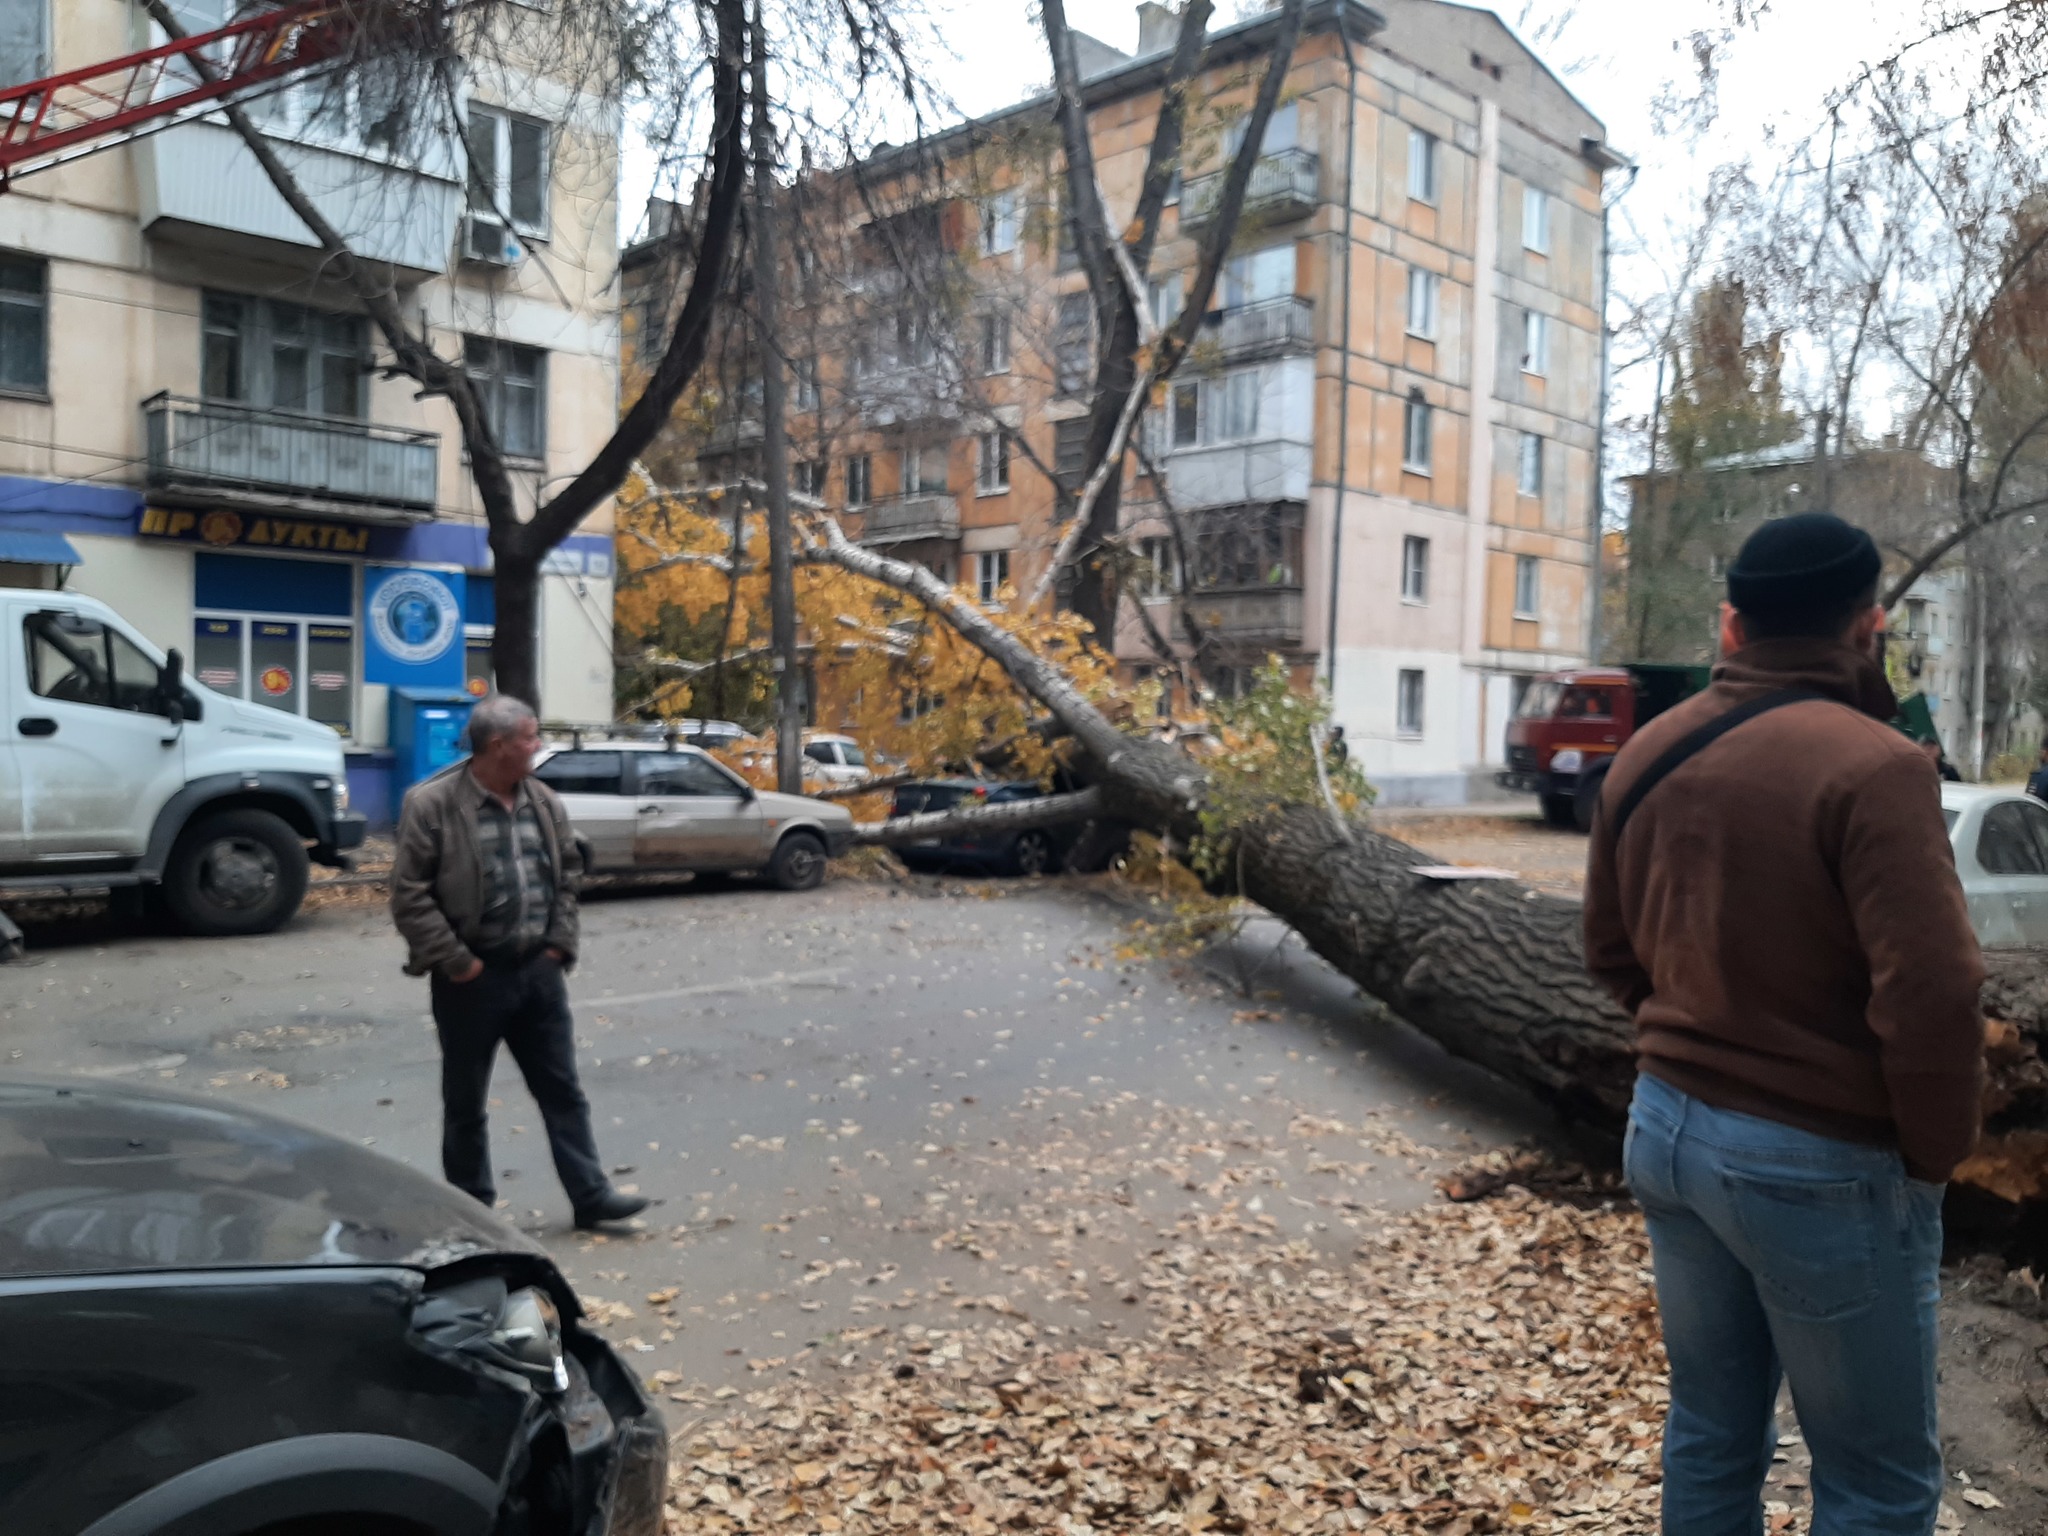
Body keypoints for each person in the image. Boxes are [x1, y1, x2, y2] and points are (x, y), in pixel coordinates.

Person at [1583, 512, 1985, 1533]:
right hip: (1819, 1160)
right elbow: (1933, 990)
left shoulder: (1645, 752)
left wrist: (1688, 1041)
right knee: (1875, 1481)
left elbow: (1606, 948)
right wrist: (1931, 1154)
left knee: (1711, 1434)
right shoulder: (1876, 765)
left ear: (1729, 628)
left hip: (1663, 1134)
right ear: (1868, 626)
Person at [390, 693, 648, 1230]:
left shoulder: (543, 800)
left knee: (563, 1091)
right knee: (465, 1103)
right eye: (531, 737)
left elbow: (569, 876)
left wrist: (558, 945)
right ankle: (472, 1212)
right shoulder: (432, 803)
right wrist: (459, 963)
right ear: (499, 745)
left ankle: (591, 1196)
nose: (538, 746)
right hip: (470, 980)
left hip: (538, 973)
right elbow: (410, 896)